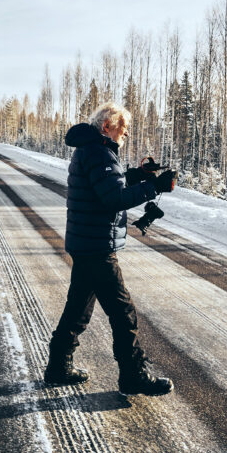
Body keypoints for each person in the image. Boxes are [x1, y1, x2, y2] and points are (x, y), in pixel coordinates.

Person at [44, 102, 177, 396]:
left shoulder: (94, 148)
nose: (126, 133)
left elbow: (108, 183)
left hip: (86, 242)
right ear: (108, 126)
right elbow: (113, 198)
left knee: (78, 308)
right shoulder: (99, 151)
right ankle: (133, 376)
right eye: (123, 127)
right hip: (96, 246)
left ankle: (58, 367)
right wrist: (154, 187)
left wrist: (141, 175)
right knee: (123, 312)